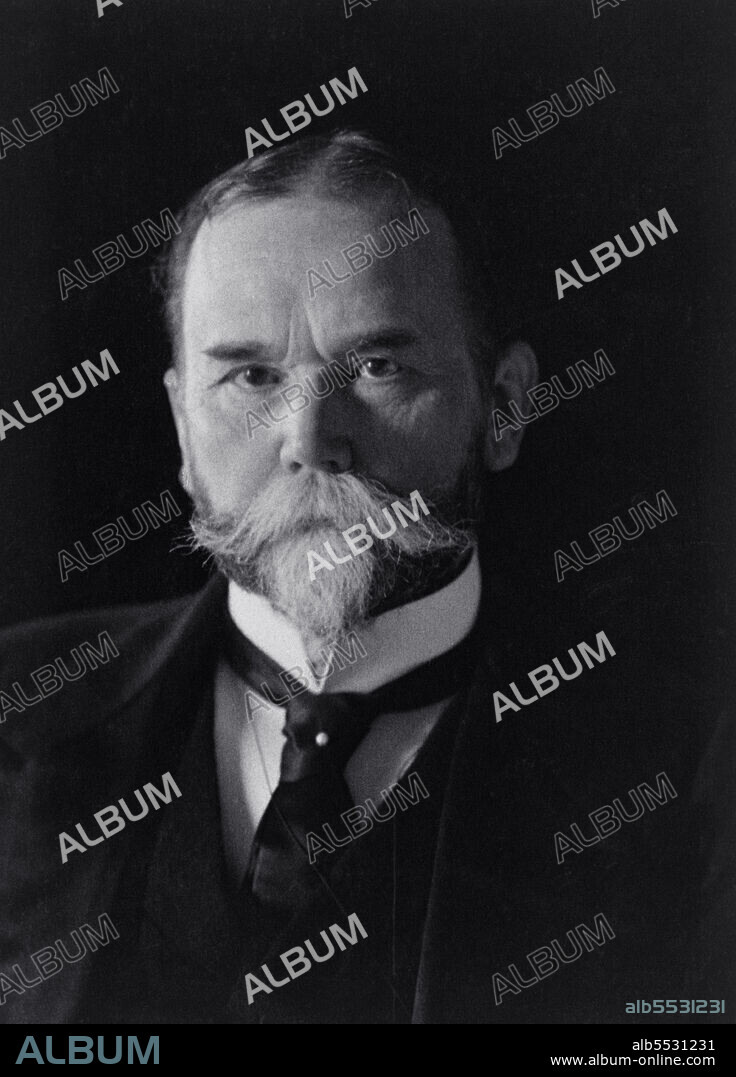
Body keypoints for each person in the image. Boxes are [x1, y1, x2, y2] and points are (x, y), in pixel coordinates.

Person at [0, 131, 709, 1024]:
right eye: (251, 376)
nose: (308, 441)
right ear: (184, 430)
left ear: (507, 404)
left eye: (377, 367)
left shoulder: (689, 772)